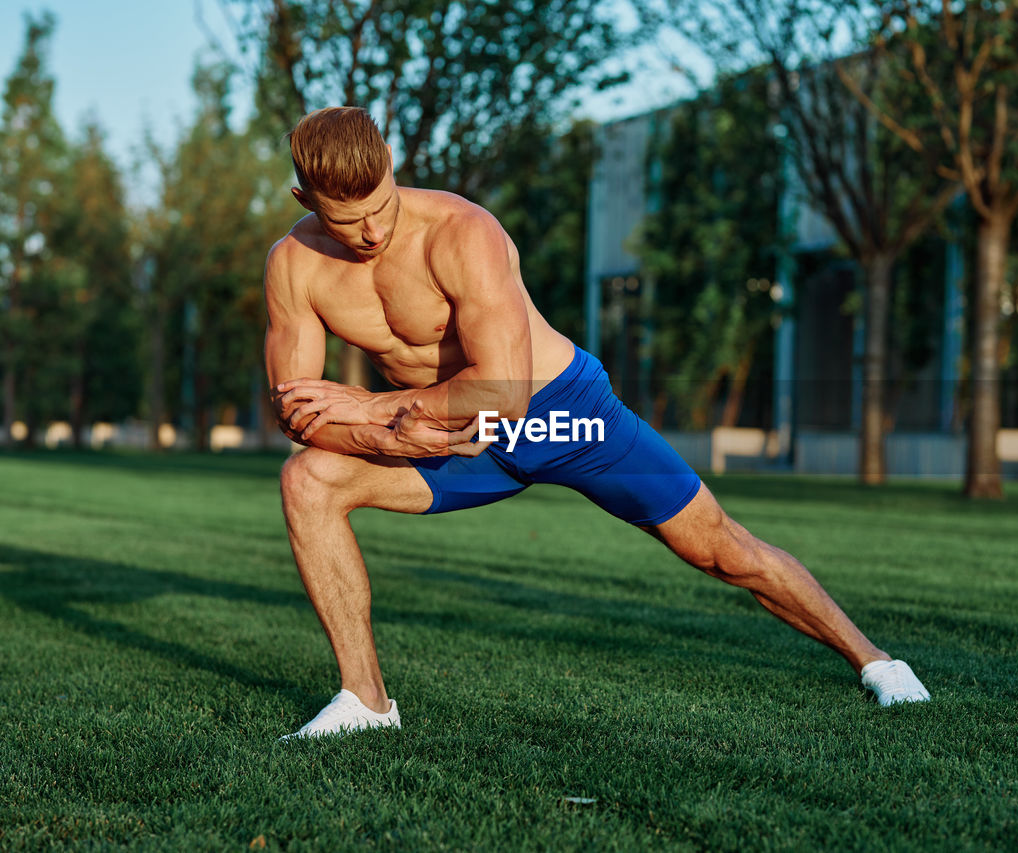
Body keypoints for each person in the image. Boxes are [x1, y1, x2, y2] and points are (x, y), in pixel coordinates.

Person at [265, 107, 929, 740]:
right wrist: (380, 434)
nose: (373, 233)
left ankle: (876, 661)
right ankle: (366, 700)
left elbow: (506, 392)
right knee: (308, 480)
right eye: (349, 222)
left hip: (562, 416)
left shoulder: (463, 233)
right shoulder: (294, 266)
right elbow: (297, 410)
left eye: (381, 206)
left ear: (390, 162)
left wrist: (373, 406)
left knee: (722, 550)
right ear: (305, 200)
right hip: (451, 438)